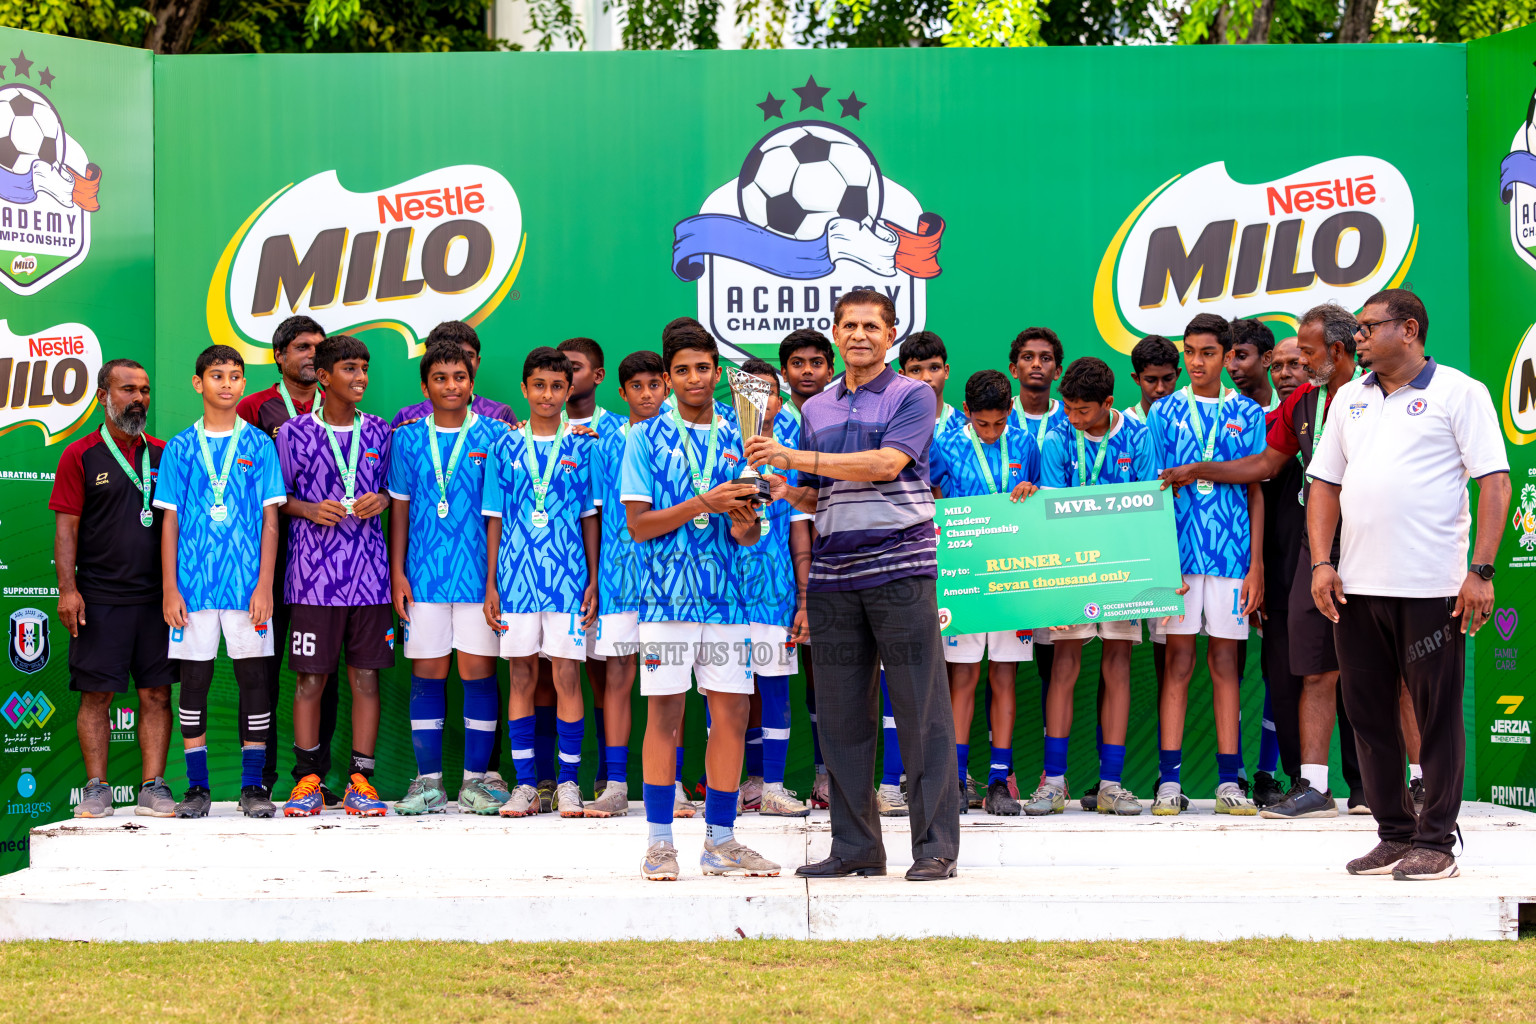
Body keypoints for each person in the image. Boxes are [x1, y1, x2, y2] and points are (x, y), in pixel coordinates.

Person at [747, 288, 960, 882]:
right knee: (841, 718)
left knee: (922, 714)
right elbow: (826, 492)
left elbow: (886, 465)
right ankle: (856, 847)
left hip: (901, 570)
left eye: (872, 325)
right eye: (850, 325)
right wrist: (787, 489)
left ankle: (935, 847)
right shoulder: (817, 410)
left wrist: (795, 457)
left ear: (890, 334)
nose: (860, 334)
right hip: (835, 575)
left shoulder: (913, 395)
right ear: (835, 332)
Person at [1309, 289, 1509, 881]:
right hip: (1358, 589)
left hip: (1434, 589)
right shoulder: (1347, 398)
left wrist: (1481, 572)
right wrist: (1323, 562)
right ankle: (1394, 833)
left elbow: (1494, 484)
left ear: (1411, 329)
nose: (1359, 337)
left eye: (1371, 327)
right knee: (1367, 715)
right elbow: (1323, 485)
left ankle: (1437, 841)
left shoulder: (1460, 393)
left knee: (1436, 714)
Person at [1161, 305, 1370, 818]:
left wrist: (1252, 564)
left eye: (1305, 355)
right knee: (1312, 667)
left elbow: (1259, 478)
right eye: (1283, 359)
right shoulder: (1300, 404)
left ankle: (1401, 782)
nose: (1292, 366)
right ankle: (1312, 784)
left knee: (1380, 669)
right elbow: (1264, 466)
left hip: (1374, 542)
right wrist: (1198, 469)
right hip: (1313, 551)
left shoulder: (1378, 396)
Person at [624, 323, 778, 881]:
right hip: (666, 600)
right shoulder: (641, 438)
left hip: (729, 601)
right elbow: (639, 526)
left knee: (731, 715)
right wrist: (703, 502)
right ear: (667, 379)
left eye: (704, 368)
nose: (694, 379)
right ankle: (660, 842)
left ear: (718, 373)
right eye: (682, 370)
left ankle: (722, 840)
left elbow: (752, 534)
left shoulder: (746, 435)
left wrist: (743, 524)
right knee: (664, 717)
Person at [154, 345, 285, 819]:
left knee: (255, 682)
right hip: (192, 588)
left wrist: (265, 584)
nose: (227, 384)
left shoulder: (259, 445)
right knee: (193, 684)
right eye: (217, 375)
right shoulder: (179, 448)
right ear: (198, 383)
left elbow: (271, 518)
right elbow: (168, 522)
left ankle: (253, 787)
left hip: (247, 588)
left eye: (235, 375)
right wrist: (171, 587)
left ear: (243, 384)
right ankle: (198, 789)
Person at [1147, 313, 1264, 816]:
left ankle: (1227, 781)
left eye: (1208, 353)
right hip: (1177, 558)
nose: (1197, 362)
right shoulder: (1164, 412)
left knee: (1225, 665)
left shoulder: (1249, 412)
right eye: (1190, 352)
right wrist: (1156, 563)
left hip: (1232, 557)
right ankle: (1168, 783)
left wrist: (1256, 565)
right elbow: (1150, 493)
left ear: (1227, 354)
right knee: (1177, 663)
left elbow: (1256, 489)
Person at [1027, 357, 1154, 818]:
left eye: (1084, 412)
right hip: (1072, 569)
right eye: (1069, 409)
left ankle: (1111, 783)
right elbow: (1055, 511)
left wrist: (1154, 573)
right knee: (1065, 666)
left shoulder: (1139, 435)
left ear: (1108, 403)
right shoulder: (1056, 437)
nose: (1073, 418)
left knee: (1118, 666)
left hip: (1123, 569)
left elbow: (1150, 506)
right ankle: (1054, 783)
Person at [387, 341, 511, 815]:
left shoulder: (497, 436)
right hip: (423, 578)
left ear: (472, 383)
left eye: (459, 377)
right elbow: (399, 509)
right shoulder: (407, 439)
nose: (451, 386)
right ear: (425, 386)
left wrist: (494, 580)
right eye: (440, 378)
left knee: (478, 674)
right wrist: (398, 572)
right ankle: (429, 783)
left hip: (480, 580)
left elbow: (497, 514)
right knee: (428, 674)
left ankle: (476, 783)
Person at [276, 335, 394, 817]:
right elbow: (278, 499)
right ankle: (308, 779)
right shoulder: (293, 433)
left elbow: (393, 491)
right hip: (311, 580)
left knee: (366, 678)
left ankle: (361, 781)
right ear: (323, 377)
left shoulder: (383, 432)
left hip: (370, 579)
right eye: (349, 369)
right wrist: (308, 508)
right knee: (309, 682)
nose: (360, 377)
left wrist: (381, 500)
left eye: (364, 368)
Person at [480, 347, 599, 818]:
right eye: (539, 385)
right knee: (522, 675)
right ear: (525, 388)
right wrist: (491, 583)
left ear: (569, 390)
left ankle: (568, 783)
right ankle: (526, 784)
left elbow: (591, 518)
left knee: (567, 674)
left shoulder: (583, 446)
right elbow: (493, 518)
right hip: (515, 581)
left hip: (568, 580)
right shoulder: (504, 446)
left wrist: (592, 578)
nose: (547, 394)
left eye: (556, 386)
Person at [53, 359, 175, 818]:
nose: (138, 398)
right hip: (100, 596)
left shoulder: (166, 453)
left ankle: (153, 786)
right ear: (103, 395)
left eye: (144, 390)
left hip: (157, 599)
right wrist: (68, 590)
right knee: (96, 695)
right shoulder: (80, 455)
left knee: (157, 694)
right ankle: (96, 787)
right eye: (127, 389)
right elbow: (66, 529)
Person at [236, 314, 340, 801]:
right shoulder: (256, 409)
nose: (313, 354)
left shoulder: (339, 403)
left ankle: (317, 776)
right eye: (302, 346)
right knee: (263, 672)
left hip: (326, 567)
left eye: (320, 347)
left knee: (324, 674)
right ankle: (262, 781)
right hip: (269, 565)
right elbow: (240, 484)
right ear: (278, 356)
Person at [929, 369, 1040, 817]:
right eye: (982, 424)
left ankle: (998, 780)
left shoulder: (1027, 444)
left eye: (998, 423)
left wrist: (1032, 492)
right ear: (968, 413)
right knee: (963, 677)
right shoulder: (946, 444)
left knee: (1005, 677)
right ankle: (956, 779)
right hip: (965, 577)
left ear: (1010, 411)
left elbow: (1037, 502)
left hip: (1013, 575)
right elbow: (934, 499)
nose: (991, 432)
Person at [585, 349, 669, 818]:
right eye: (635, 388)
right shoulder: (605, 443)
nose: (646, 395)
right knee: (618, 677)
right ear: (621, 393)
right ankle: (616, 783)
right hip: (619, 578)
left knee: (668, 685)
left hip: (670, 582)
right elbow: (596, 514)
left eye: (653, 385)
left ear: (666, 386)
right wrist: (596, 577)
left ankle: (670, 781)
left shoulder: (681, 437)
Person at [734, 357, 813, 817]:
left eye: (768, 393)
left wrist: (803, 597)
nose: (760, 401)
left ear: (781, 400)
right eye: (750, 392)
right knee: (724, 690)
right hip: (721, 594)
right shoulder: (719, 438)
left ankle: (774, 786)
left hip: (775, 591)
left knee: (775, 687)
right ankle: (737, 783)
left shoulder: (796, 446)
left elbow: (801, 527)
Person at [777, 327, 836, 810]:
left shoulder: (839, 417)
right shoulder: (768, 427)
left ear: (830, 368)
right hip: (773, 573)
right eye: (798, 363)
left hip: (839, 561)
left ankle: (826, 775)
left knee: (828, 676)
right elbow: (795, 514)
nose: (808, 371)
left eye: (817, 362)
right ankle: (760, 781)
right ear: (784, 372)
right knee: (759, 680)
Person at [558, 336, 616, 795]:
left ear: (597, 376)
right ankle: (548, 778)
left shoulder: (619, 432)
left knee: (601, 673)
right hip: (551, 576)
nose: (564, 375)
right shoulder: (533, 430)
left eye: (573, 367)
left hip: (607, 576)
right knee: (549, 674)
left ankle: (607, 774)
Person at [390, 321, 516, 428]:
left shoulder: (500, 414)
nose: (457, 362)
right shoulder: (407, 417)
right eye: (446, 357)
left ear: (477, 362)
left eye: (468, 356)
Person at [901, 331, 964, 437]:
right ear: (903, 376)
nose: (926, 378)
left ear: (946, 371)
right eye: (916, 370)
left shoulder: (967, 427)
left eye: (934, 368)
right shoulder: (891, 424)